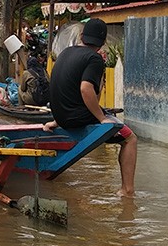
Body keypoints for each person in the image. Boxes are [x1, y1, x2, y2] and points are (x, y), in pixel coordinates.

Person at [44, 18, 137, 197]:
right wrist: (102, 119)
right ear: (102, 43)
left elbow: (64, 86)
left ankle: (57, 121)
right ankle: (127, 190)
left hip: (61, 116)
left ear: (81, 36)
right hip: (76, 117)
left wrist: (58, 119)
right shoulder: (94, 59)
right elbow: (85, 89)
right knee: (130, 139)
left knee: (105, 114)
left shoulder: (66, 52)